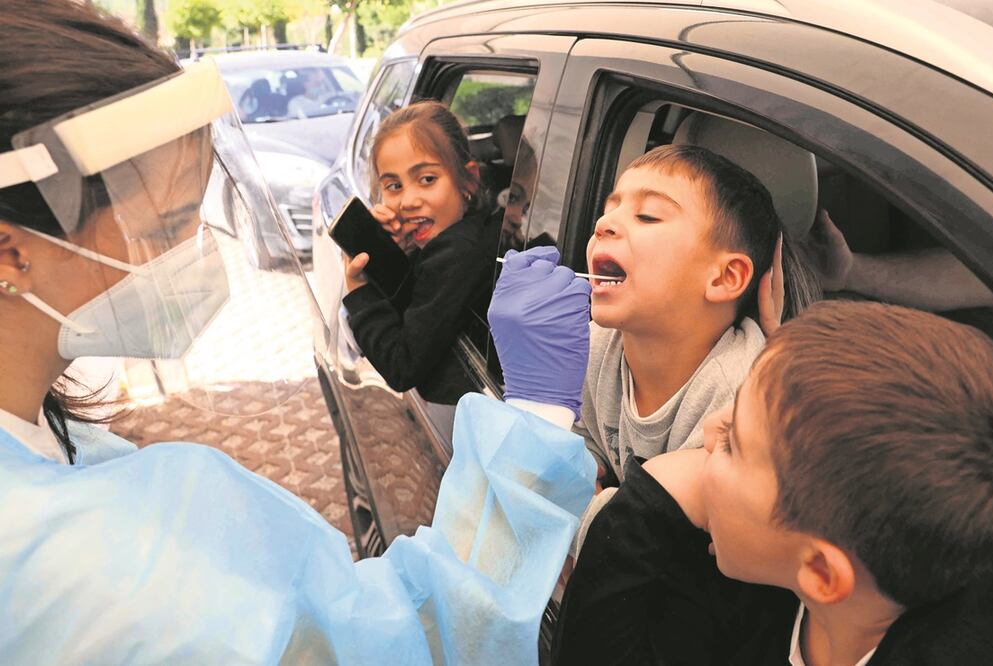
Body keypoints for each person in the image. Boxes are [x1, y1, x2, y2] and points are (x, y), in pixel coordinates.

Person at [0, 2, 597, 663]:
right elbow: (418, 641)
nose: (192, 256)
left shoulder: (44, 445)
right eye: (165, 230)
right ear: (11, 254)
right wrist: (538, 413)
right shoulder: (74, 567)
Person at [546, 300, 993, 665]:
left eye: (734, 441)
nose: (709, 431)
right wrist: (651, 497)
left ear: (821, 572)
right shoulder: (763, 576)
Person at [560, 144, 816, 550]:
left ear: (724, 277)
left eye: (647, 215)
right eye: (611, 208)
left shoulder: (736, 395)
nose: (604, 224)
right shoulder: (592, 347)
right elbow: (575, 447)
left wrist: (578, 508)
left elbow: (665, 543)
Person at [343, 101, 494, 406]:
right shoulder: (482, 231)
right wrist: (402, 255)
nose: (409, 200)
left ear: (468, 180)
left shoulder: (455, 253)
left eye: (427, 179)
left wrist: (360, 291)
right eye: (394, 185)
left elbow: (401, 366)